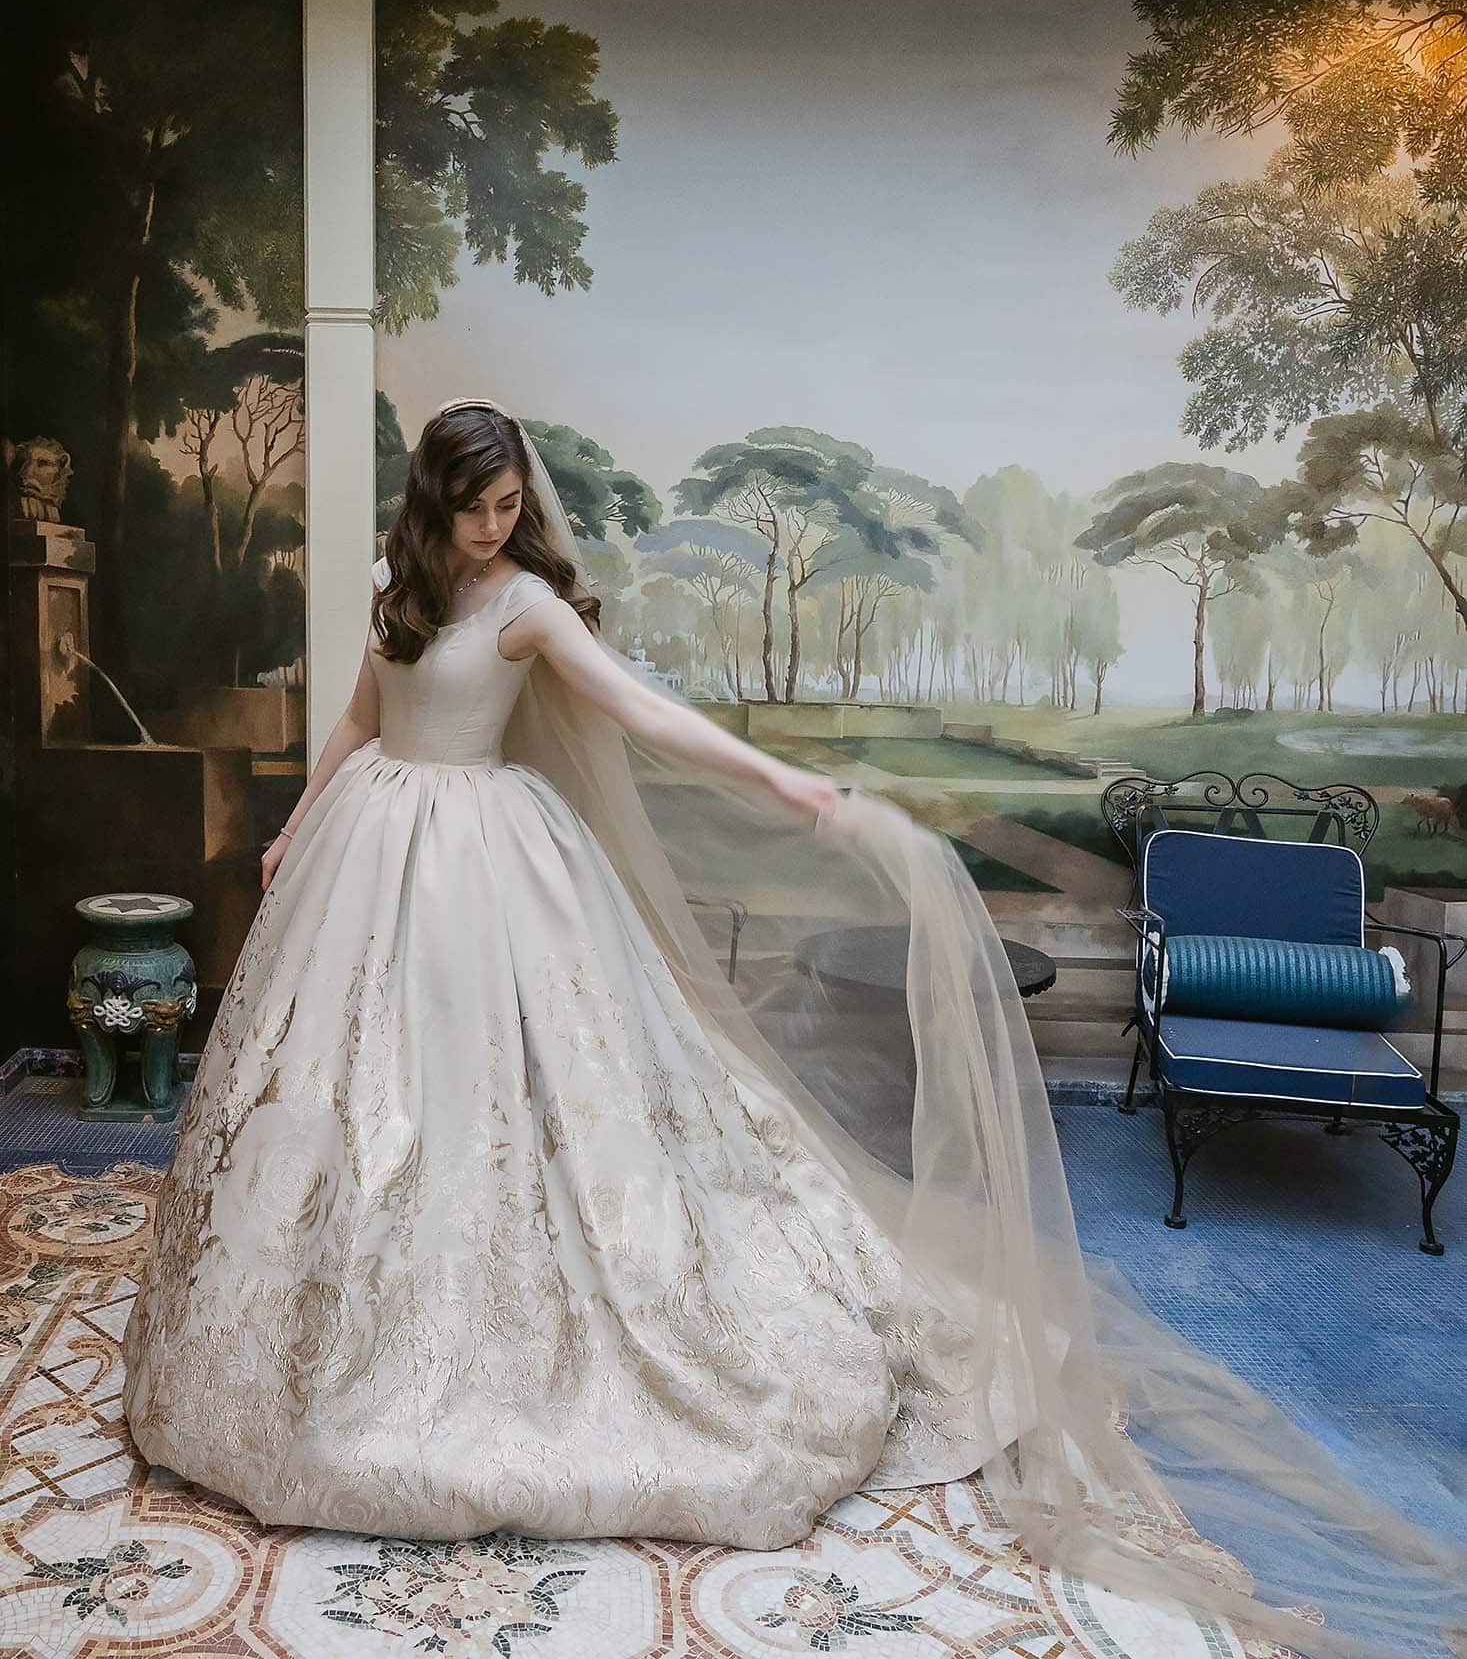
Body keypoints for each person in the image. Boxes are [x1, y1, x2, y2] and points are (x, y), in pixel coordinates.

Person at [122, 400, 1464, 1659]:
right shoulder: (393, 585)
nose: (492, 527)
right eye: (474, 508)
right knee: (350, 1095)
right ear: (432, 501)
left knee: (523, 1095)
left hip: (492, 860)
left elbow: (641, 711)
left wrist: (784, 782)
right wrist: (299, 825)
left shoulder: (527, 604)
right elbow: (363, 717)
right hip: (374, 848)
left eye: (510, 505)